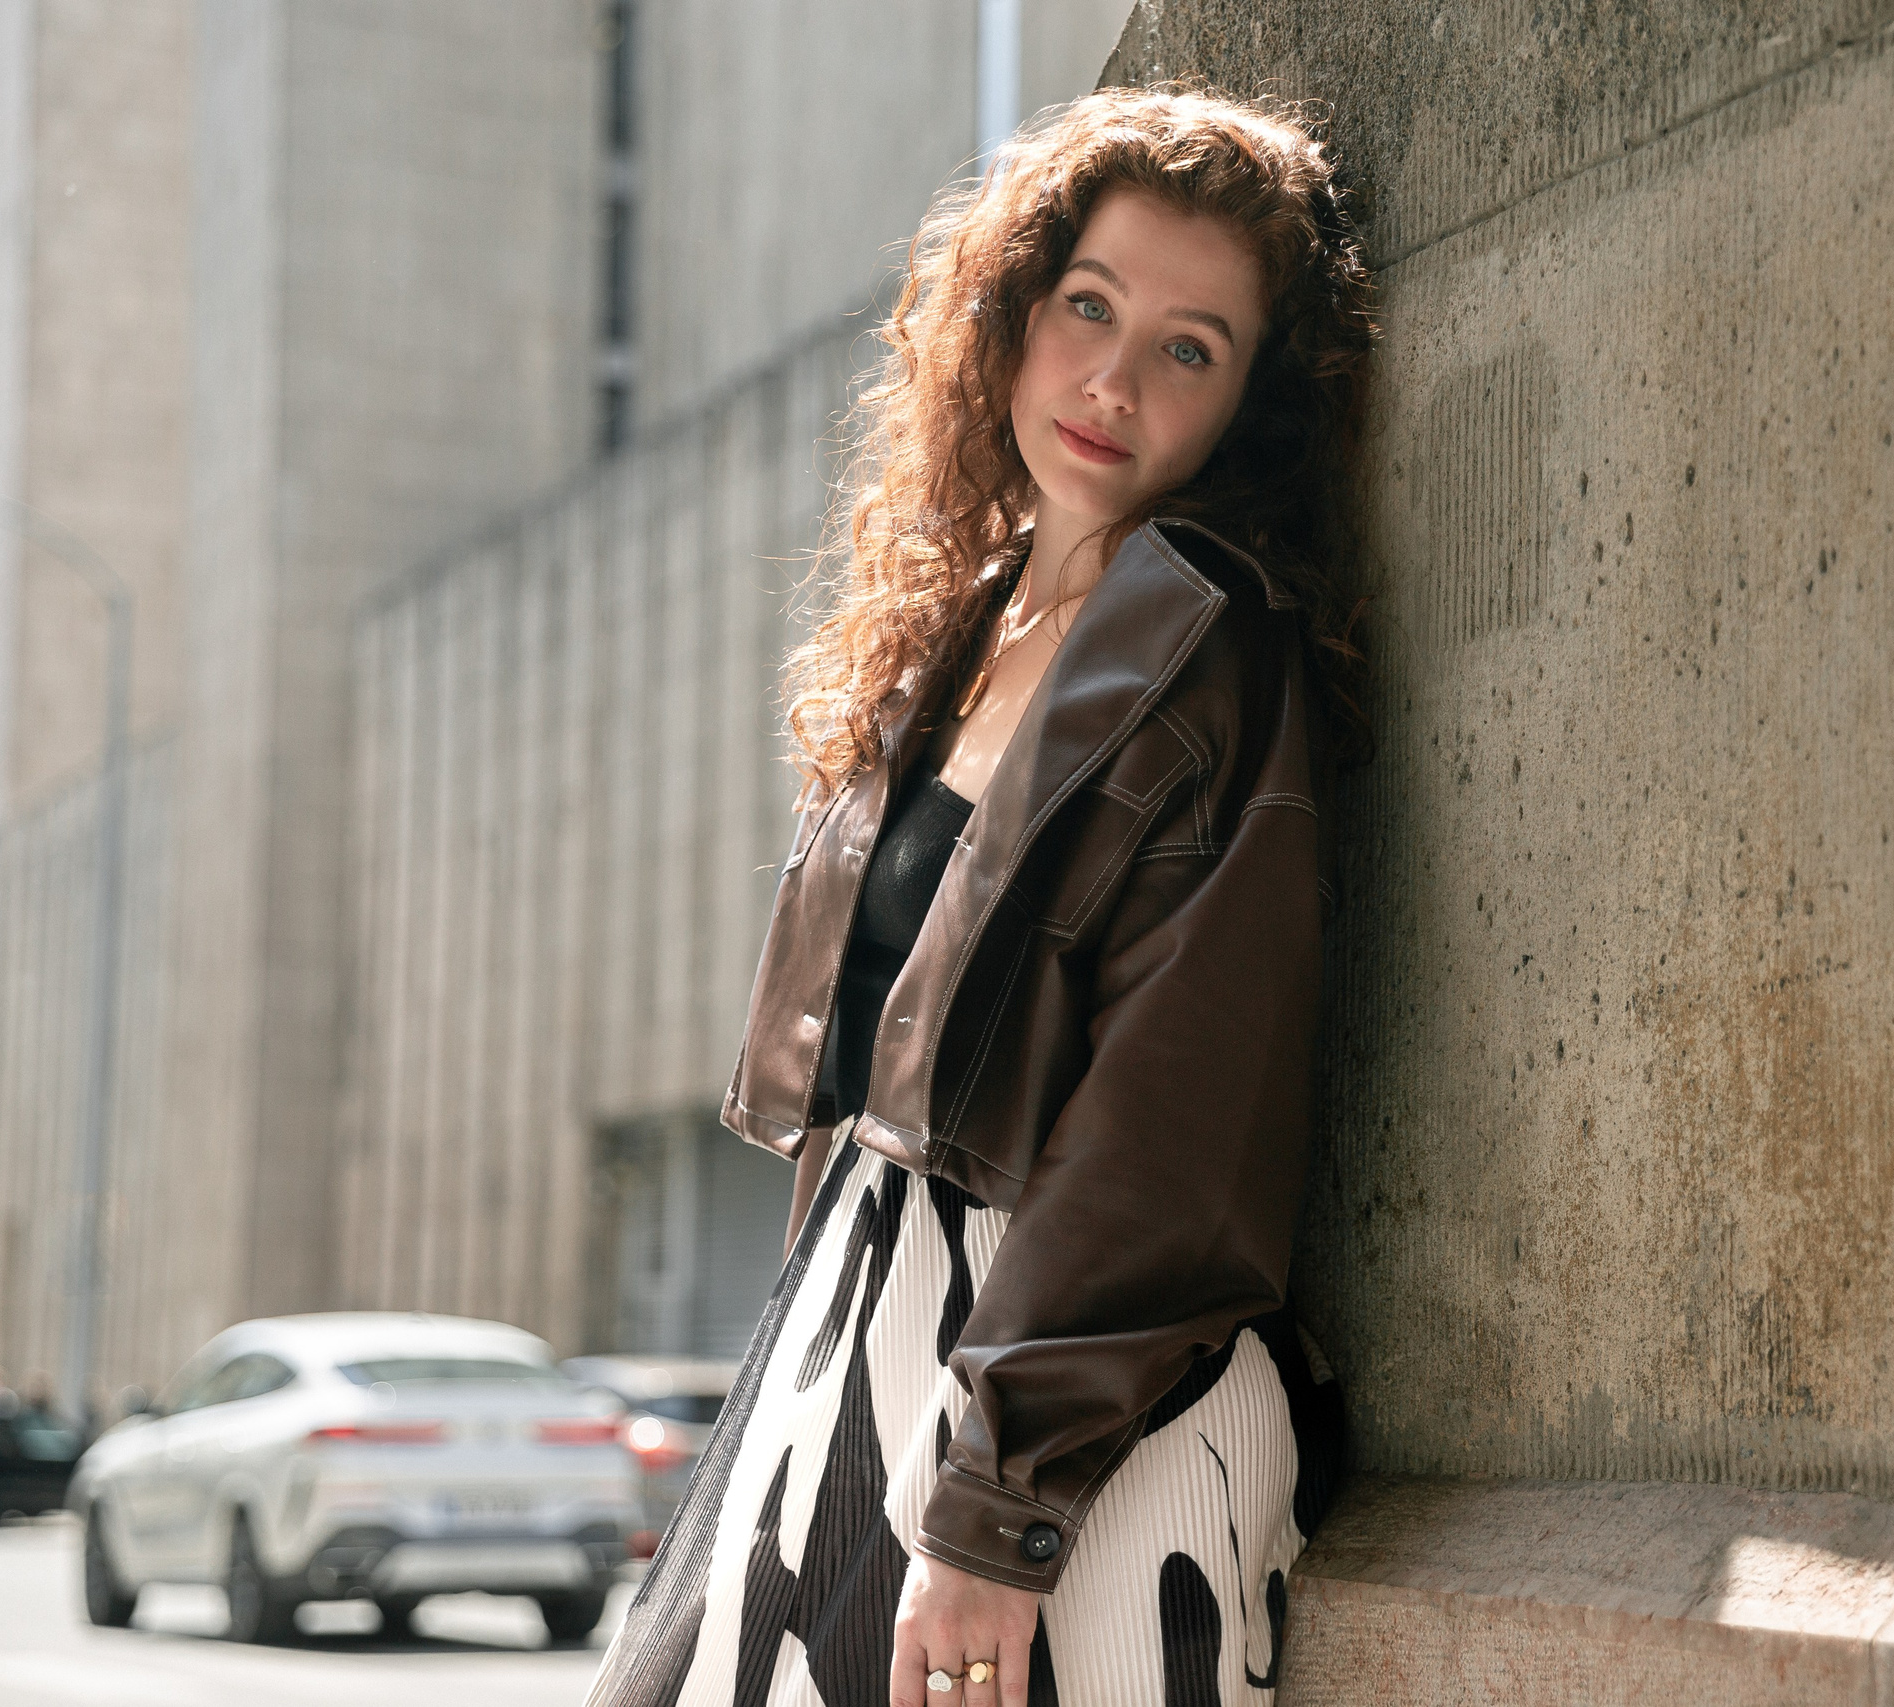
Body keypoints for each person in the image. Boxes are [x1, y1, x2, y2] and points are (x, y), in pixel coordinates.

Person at [585, 85, 1376, 1707]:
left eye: (1189, 346)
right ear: (1011, 314)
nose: (1113, 379)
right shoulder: (953, 625)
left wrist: (995, 1515)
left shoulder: (1222, 653)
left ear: (1249, 407)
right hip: (856, 1337)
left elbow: (1179, 1127)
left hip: (1069, 1406)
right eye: (1089, 306)